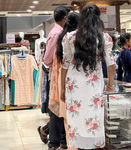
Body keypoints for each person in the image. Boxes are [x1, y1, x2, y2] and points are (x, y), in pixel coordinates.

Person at [60, 4, 115, 149]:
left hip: (74, 85)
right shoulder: (104, 38)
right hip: (94, 86)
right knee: (93, 117)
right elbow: (111, 64)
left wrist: (62, 90)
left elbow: (64, 66)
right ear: (98, 18)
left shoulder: (70, 37)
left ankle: (80, 146)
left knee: (76, 118)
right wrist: (110, 84)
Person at [37, 6, 70, 150]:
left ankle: (56, 138)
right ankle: (54, 142)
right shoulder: (57, 33)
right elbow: (48, 58)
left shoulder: (61, 32)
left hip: (61, 76)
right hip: (56, 77)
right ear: (65, 18)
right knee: (57, 110)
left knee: (61, 110)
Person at [48, 12, 80, 150]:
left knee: (63, 114)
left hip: (61, 78)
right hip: (71, 79)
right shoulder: (72, 38)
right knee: (69, 115)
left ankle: (63, 142)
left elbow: (53, 61)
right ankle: (61, 142)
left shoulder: (62, 36)